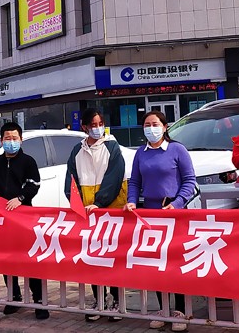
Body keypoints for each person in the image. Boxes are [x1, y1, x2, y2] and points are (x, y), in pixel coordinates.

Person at [125, 111, 196, 332]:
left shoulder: (177, 150)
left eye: (155, 124)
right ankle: (163, 309)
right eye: (147, 125)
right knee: (157, 262)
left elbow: (189, 181)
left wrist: (178, 203)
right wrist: (131, 201)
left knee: (175, 261)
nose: (151, 128)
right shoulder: (141, 153)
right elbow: (134, 181)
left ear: (165, 127)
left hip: (174, 212)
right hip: (151, 213)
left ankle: (180, 310)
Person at [64, 109, 126, 322]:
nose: (98, 128)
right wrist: (77, 204)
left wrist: (99, 202)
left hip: (111, 212)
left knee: (112, 258)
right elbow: (71, 180)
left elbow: (114, 178)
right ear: (84, 127)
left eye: (100, 123)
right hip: (87, 214)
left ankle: (116, 301)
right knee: (92, 258)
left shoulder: (112, 147)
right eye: (93, 125)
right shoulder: (77, 150)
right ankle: (98, 300)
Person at [0, 122, 47, 320]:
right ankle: (13, 296)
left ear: (21, 139)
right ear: (1, 141)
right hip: (2, 219)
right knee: (6, 259)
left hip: (24, 218)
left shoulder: (28, 161)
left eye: (14, 138)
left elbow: (34, 184)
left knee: (30, 259)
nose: (11, 142)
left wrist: (20, 198)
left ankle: (39, 301)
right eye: (7, 138)